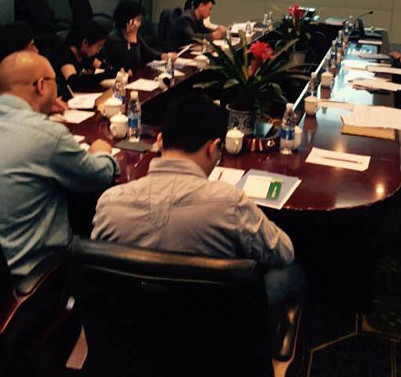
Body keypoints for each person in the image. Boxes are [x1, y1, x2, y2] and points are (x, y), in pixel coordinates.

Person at [92, 92, 305, 310]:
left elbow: (98, 271)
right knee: (290, 272)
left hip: (131, 321)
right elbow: (284, 252)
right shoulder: (230, 203)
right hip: (210, 322)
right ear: (214, 148)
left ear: (160, 141)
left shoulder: (109, 203)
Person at [0, 51, 118, 276]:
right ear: (42, 85)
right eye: (54, 82)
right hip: (39, 274)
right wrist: (102, 152)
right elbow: (99, 176)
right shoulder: (45, 134)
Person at [52, 19, 108, 100]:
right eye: (98, 46)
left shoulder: (86, 55)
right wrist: (103, 76)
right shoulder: (65, 54)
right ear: (85, 42)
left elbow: (104, 68)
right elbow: (73, 81)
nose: (98, 51)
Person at [102, 0, 163, 72]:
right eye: (138, 20)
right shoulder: (114, 39)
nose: (140, 24)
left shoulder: (133, 34)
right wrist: (133, 41)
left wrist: (163, 56)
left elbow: (147, 52)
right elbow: (133, 64)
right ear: (129, 21)